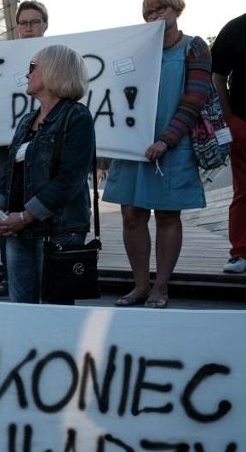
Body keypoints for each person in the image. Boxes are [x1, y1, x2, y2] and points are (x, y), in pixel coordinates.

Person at [102, 0, 210, 308]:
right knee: (131, 214)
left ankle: (161, 287)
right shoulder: (135, 49)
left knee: (167, 214)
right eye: (150, 11)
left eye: (162, 7)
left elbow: (195, 100)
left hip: (172, 146)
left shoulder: (194, 48)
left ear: (177, 9)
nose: (156, 15)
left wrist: (166, 140)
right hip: (132, 144)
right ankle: (140, 285)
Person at [0, 45, 95, 304]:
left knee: (55, 312)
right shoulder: (27, 120)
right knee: (21, 310)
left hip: (57, 230)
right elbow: (10, 171)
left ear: (52, 70)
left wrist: (25, 216)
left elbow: (70, 180)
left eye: (32, 68)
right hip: (18, 230)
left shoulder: (77, 116)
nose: (27, 75)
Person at [0, 0, 49, 298]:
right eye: (23, 23)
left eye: (33, 22)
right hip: (2, 146)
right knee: (6, 204)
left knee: (40, 204)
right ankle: (9, 275)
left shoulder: (55, 58)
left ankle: (43, 272)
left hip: (42, 141)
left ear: (45, 25)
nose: (27, 27)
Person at [211, 12, 246, 273]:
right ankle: (240, 253)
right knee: (243, 190)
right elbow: (217, 76)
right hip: (242, 119)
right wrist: (227, 118)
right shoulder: (235, 28)